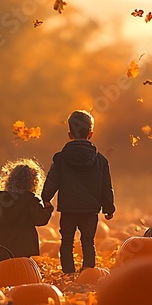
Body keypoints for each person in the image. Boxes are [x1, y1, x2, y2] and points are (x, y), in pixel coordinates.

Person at [42, 110, 115, 274]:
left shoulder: (61, 158)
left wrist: (46, 198)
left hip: (68, 208)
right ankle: (88, 271)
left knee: (66, 241)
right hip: (90, 210)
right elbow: (106, 186)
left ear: (69, 134)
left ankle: (68, 272)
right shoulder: (100, 160)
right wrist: (108, 208)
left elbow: (52, 180)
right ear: (90, 134)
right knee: (88, 241)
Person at [0, 159, 54, 264]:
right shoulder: (30, 200)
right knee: (20, 265)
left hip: (0, 242)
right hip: (22, 243)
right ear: (33, 182)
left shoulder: (2, 198)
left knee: (0, 265)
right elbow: (39, 220)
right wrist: (48, 209)